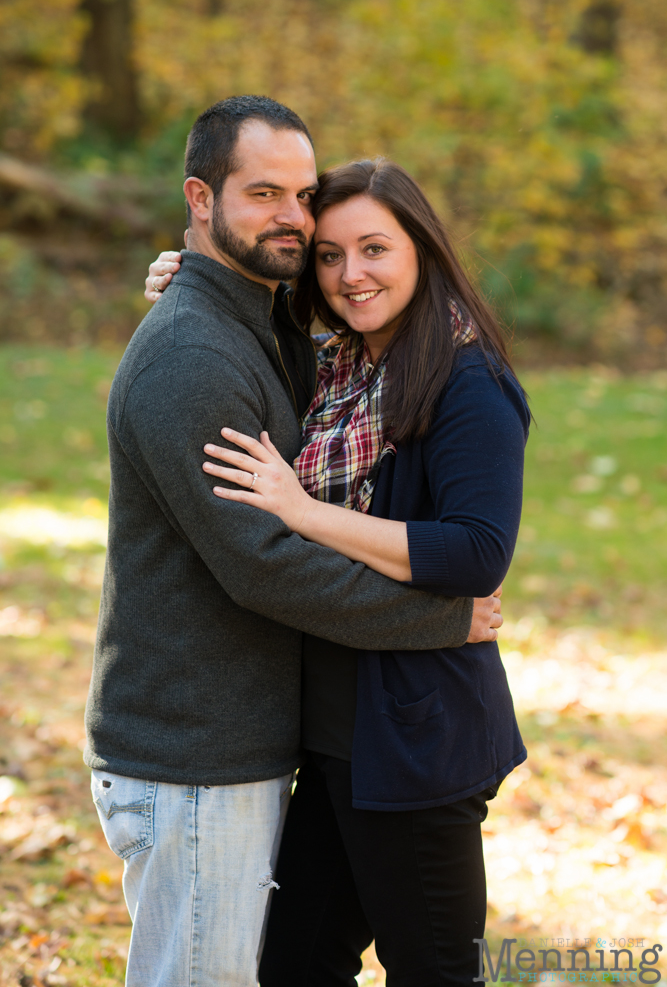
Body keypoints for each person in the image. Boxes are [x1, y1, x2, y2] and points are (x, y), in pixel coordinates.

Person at [89, 95, 501, 987]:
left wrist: (189, 279)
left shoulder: (315, 347)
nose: (294, 219)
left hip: (326, 739)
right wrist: (439, 619)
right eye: (263, 192)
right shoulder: (216, 354)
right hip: (201, 751)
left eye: (302, 196)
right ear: (200, 199)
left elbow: (472, 545)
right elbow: (261, 562)